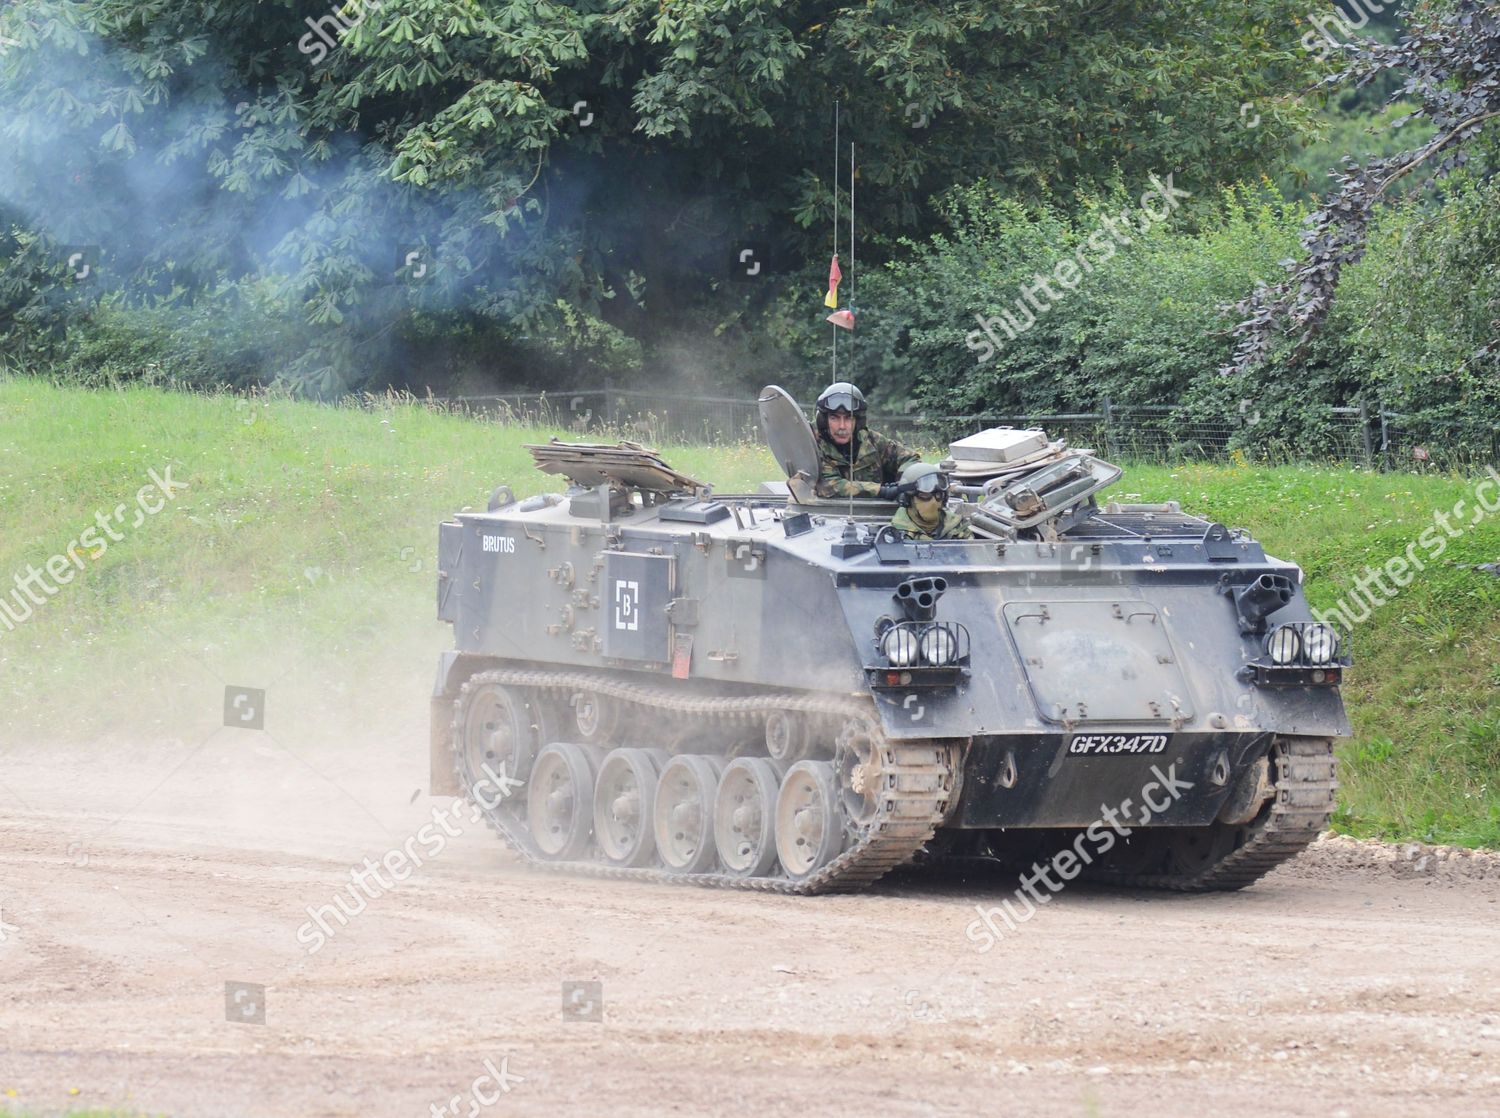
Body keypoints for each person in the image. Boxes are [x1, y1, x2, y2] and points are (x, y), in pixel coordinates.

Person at [812, 382, 919, 498]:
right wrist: (882, 491)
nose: (842, 426)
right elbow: (828, 486)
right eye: (834, 418)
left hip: (877, 513)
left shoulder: (872, 441)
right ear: (823, 421)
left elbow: (910, 458)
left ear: (858, 422)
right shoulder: (813, 446)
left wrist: (903, 483)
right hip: (830, 513)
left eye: (849, 418)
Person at [890, 462, 973, 540]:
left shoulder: (958, 527)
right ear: (908, 499)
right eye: (925, 495)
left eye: (938, 495)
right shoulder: (893, 535)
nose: (933, 501)